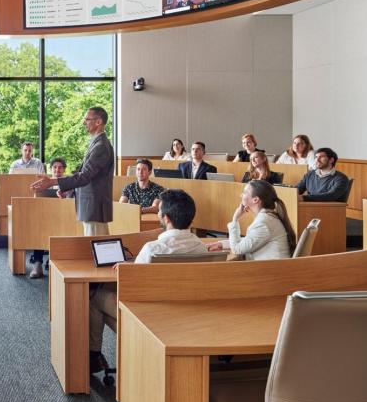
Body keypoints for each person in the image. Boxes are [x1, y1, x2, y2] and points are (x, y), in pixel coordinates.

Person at [89, 189, 207, 373]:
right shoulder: (200, 247)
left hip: (150, 317)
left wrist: (125, 267)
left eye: (159, 211)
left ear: (166, 218)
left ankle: (94, 355)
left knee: (95, 296)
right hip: (186, 313)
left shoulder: (153, 248)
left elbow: (133, 285)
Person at [30, 107, 114, 236]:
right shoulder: (96, 143)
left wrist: (53, 181)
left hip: (95, 207)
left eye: (87, 119)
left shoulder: (101, 146)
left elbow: (85, 176)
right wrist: (71, 190)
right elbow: (91, 177)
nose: (84, 122)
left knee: (97, 247)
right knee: (93, 247)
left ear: (98, 122)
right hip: (91, 206)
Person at [207, 180, 295, 259]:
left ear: (255, 199)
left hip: (270, 272)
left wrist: (235, 219)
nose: (241, 195)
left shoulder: (263, 223)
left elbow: (237, 249)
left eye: (245, 192)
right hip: (272, 269)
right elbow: (248, 241)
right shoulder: (267, 217)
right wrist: (222, 244)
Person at [28, 157, 72, 278]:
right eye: (55, 167)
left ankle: (53, 262)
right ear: (51, 169)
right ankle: (37, 264)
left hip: (64, 218)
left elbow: (73, 203)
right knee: (39, 229)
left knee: (61, 231)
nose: (57, 170)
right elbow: (36, 202)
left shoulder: (70, 183)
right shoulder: (44, 183)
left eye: (60, 167)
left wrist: (66, 197)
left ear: (64, 170)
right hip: (45, 216)